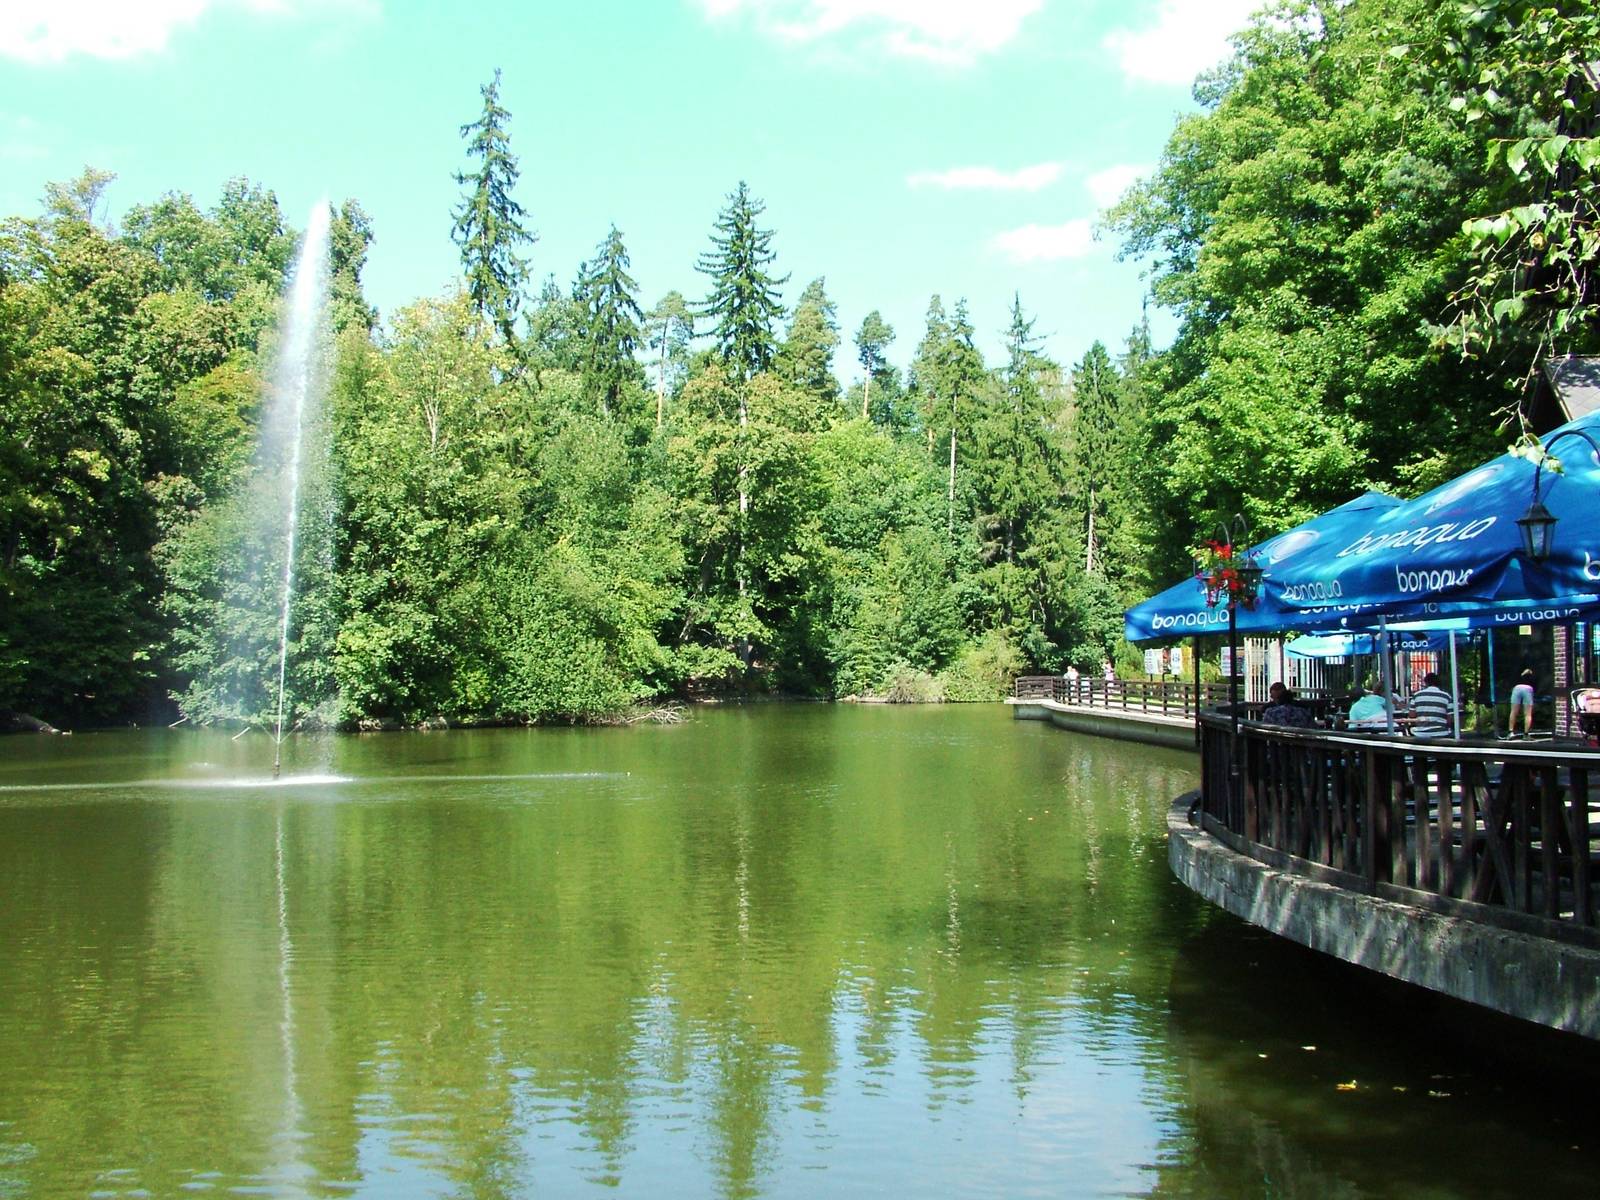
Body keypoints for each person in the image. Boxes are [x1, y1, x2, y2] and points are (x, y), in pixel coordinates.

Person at [1408, 671, 1452, 739]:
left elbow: (1412, 716)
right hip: (1441, 733)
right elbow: (1450, 718)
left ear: (1426, 683)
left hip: (1420, 733)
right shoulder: (1446, 696)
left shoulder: (1417, 695)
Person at [1508, 668, 1535, 738]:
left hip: (1517, 688)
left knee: (1513, 712)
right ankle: (1526, 734)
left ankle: (1510, 732)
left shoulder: (1518, 678)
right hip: (1528, 689)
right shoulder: (1532, 680)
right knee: (1528, 714)